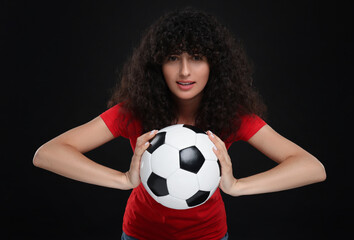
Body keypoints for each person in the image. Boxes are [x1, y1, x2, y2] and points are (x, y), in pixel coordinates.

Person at [33, 8, 326, 240]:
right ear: (157, 64)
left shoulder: (232, 115)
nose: (185, 71)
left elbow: (312, 167)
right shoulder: (135, 112)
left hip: (208, 236)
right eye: (173, 58)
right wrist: (123, 180)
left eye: (197, 57)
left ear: (215, 65)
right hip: (140, 235)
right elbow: (48, 153)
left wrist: (237, 186)